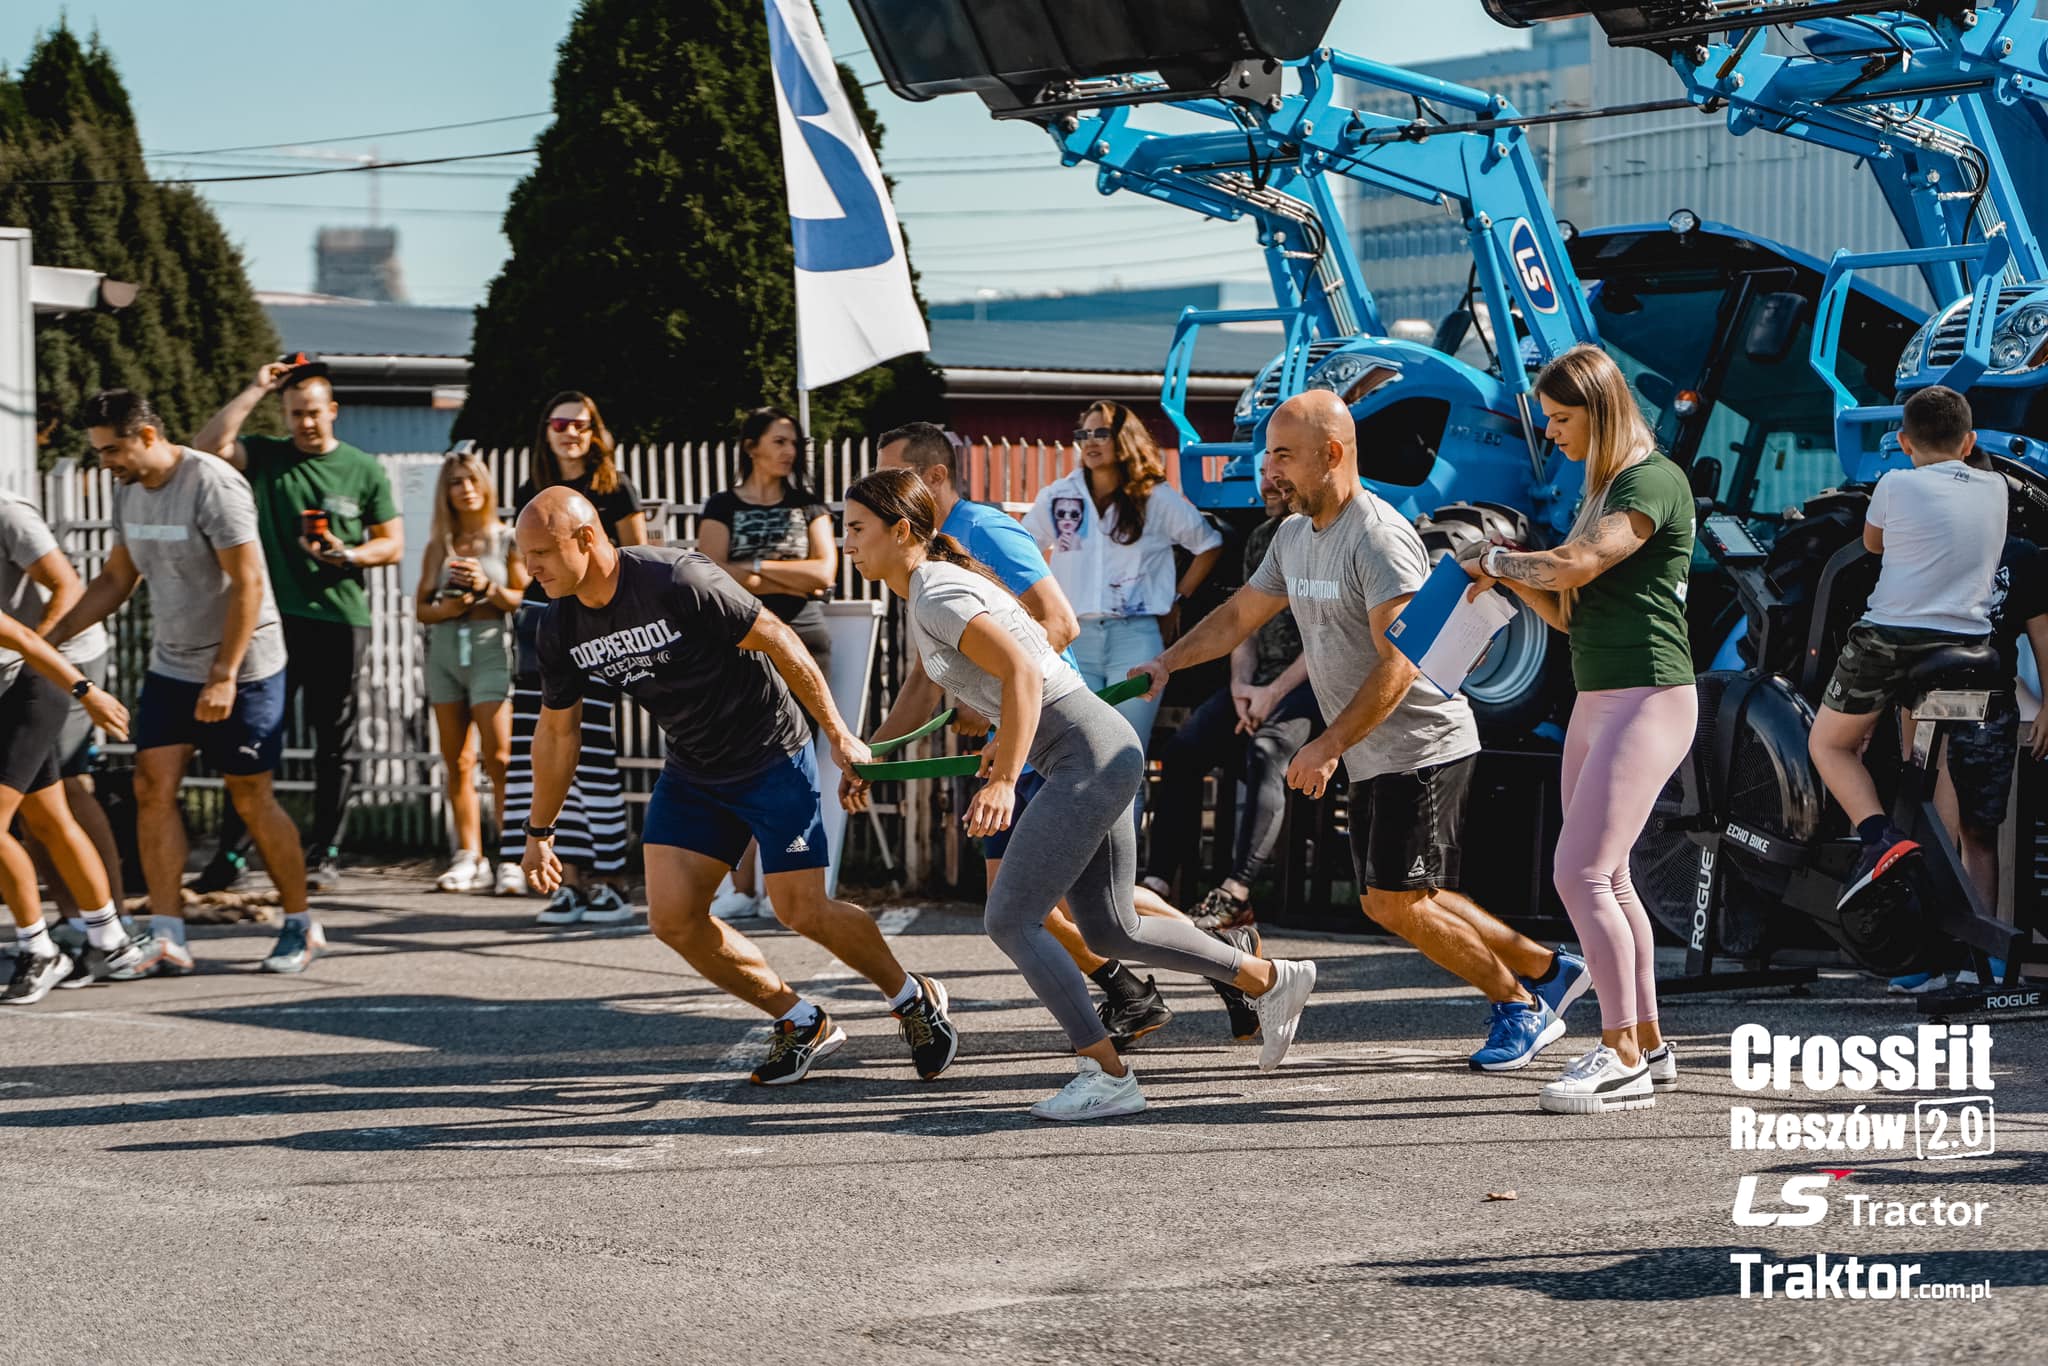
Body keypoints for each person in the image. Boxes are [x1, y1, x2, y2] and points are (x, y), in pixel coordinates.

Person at [1131, 390, 1589, 1079]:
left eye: (1284, 455)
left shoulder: (1376, 537)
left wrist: (1326, 745)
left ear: (1333, 455)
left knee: (1394, 900)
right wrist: (1167, 663)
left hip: (1422, 746)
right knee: (1415, 895)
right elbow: (1237, 619)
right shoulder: (1293, 536)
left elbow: (1400, 659)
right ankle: (1549, 969)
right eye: (1269, 454)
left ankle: (1521, 1004)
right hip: (1375, 746)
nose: (1271, 468)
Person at [842, 468, 1314, 1122]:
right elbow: (939, 690)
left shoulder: (937, 593)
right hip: (1091, 745)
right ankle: (1271, 980)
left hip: (1083, 752)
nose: (846, 543)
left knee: (1010, 918)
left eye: (856, 529)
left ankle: (1107, 1075)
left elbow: (1019, 672)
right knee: (1111, 926)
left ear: (901, 531)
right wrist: (873, 756)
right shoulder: (928, 592)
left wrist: (1005, 777)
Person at [515, 487, 958, 1085]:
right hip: (695, 771)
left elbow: (778, 637)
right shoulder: (558, 625)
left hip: (770, 752)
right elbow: (557, 735)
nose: (530, 568)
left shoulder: (674, 579)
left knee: (800, 909)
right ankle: (801, 1021)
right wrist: (540, 832)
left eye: (541, 552)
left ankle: (911, 998)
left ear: (588, 538)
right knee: (672, 919)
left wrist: (838, 734)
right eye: (524, 554)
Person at [874, 423, 1256, 1047]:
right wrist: (874, 750)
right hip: (1025, 736)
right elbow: (927, 677)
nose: (880, 495)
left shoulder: (987, 529)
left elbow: (1057, 623)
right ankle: (1160, 982)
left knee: (1042, 901)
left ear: (933, 479)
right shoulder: (927, 559)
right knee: (1058, 898)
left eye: (894, 477)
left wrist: (1007, 711)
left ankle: (1173, 983)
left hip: (1051, 732)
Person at [1459, 346, 1699, 1114]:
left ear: (1597, 410)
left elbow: (1577, 566)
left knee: (1581, 874)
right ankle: (1649, 1043)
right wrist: (1504, 576)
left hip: (1650, 696)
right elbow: (1566, 608)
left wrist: (1500, 557)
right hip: (1601, 697)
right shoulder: (1601, 488)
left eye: (1561, 419)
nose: (1552, 434)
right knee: (1610, 875)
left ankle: (1620, 1051)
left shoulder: (1648, 480)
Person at [55, 390, 322, 975]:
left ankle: (301, 924)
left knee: (250, 797)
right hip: (174, 662)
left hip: (245, 664)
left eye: (114, 449)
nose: (108, 463)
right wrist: (51, 637)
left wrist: (224, 676)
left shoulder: (214, 484)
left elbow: (248, 583)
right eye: (101, 453)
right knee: (153, 786)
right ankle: (169, 932)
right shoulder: (128, 491)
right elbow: (116, 578)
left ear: (148, 436)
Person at [191, 358, 405, 892]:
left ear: (333, 411)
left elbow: (393, 543)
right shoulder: (267, 456)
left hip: (338, 619)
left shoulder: (364, 469)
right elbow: (206, 447)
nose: (306, 423)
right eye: (295, 414)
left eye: (314, 413)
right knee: (255, 735)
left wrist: (350, 556)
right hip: (271, 622)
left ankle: (325, 852)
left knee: (335, 741)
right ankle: (233, 857)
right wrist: (255, 386)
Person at [1807, 386, 2007, 911]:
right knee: (1932, 775)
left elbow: (1873, 545)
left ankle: (1878, 839)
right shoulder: (1997, 488)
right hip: (1968, 649)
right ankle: (1942, 910)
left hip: (1892, 642)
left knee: (1829, 745)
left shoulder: (1895, 483)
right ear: (1970, 442)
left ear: (1902, 441)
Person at [1142, 463, 1318, 931]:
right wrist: (1242, 685)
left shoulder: (1326, 539)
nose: (1266, 482)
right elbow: (1245, 623)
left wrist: (1272, 694)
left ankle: (1235, 892)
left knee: (1266, 752)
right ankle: (1157, 883)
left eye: (1280, 467)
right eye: (1262, 470)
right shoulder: (1263, 537)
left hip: (1315, 685)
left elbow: (1326, 641)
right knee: (1182, 751)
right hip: (1257, 683)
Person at [1023, 401, 1223, 808]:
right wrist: (1041, 608)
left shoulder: (1155, 497)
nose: (1090, 443)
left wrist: (1176, 601)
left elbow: (1209, 544)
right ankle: (1076, 866)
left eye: (1101, 433)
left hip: (1136, 639)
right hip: (1072, 640)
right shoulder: (1059, 495)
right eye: (1083, 435)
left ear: (1124, 438)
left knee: (1123, 757)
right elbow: (1024, 549)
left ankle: (1119, 869)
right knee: (1074, 755)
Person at [502, 391, 642, 922]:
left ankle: (610, 880)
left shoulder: (615, 486)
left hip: (597, 627)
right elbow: (525, 567)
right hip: (540, 625)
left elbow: (632, 560)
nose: (569, 432)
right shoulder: (528, 491)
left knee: (593, 752)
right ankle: (571, 882)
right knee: (539, 751)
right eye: (559, 422)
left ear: (595, 431)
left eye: (580, 424)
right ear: (546, 430)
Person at [698, 408, 838, 921]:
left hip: (804, 642)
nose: (789, 451)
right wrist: (785, 576)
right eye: (778, 441)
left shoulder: (809, 506)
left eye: (793, 443)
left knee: (792, 763)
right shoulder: (722, 505)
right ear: (751, 445)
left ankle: (783, 885)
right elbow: (709, 574)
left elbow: (824, 571)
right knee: (745, 758)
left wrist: (754, 570)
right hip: (740, 641)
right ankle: (740, 885)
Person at [0, 595, 141, 1003]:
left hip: (28, 696)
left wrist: (87, 691)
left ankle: (40, 951)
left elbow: (26, 638)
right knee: (48, 820)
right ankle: (109, 938)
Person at [416, 452, 526, 893]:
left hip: (488, 649)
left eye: (470, 480)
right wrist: (445, 606)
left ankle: (512, 856)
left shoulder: (505, 539)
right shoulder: (438, 545)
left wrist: (487, 589)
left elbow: (523, 598)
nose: (464, 489)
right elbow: (421, 608)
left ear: (485, 485)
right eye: (455, 482)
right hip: (444, 650)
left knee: (499, 758)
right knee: (456, 760)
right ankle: (469, 855)